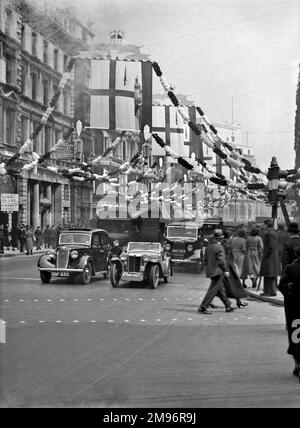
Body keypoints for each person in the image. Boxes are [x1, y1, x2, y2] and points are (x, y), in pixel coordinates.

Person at [197, 229, 235, 315]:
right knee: (213, 290)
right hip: (218, 271)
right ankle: (203, 307)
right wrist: (225, 270)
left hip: (210, 271)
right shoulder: (219, 247)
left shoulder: (209, 247)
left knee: (220, 289)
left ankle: (228, 305)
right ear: (221, 238)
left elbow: (205, 259)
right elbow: (222, 260)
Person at [278, 244, 300, 379]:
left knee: (296, 338)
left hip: (295, 310)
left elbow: (283, 286)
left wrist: (291, 293)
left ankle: (298, 364)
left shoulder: (291, 268)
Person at [222, 231, 248, 308]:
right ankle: (238, 301)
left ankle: (238, 301)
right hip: (228, 266)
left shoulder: (223, 243)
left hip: (225, 265)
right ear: (229, 237)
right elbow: (228, 258)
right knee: (234, 283)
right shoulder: (228, 246)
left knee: (225, 285)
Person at [260, 219, 279, 296]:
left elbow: (270, 247)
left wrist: (265, 255)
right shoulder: (272, 232)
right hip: (271, 256)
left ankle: (270, 291)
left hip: (269, 257)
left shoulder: (270, 234)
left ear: (267, 225)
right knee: (268, 274)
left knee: (269, 274)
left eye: (264, 225)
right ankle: (268, 291)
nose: (263, 226)